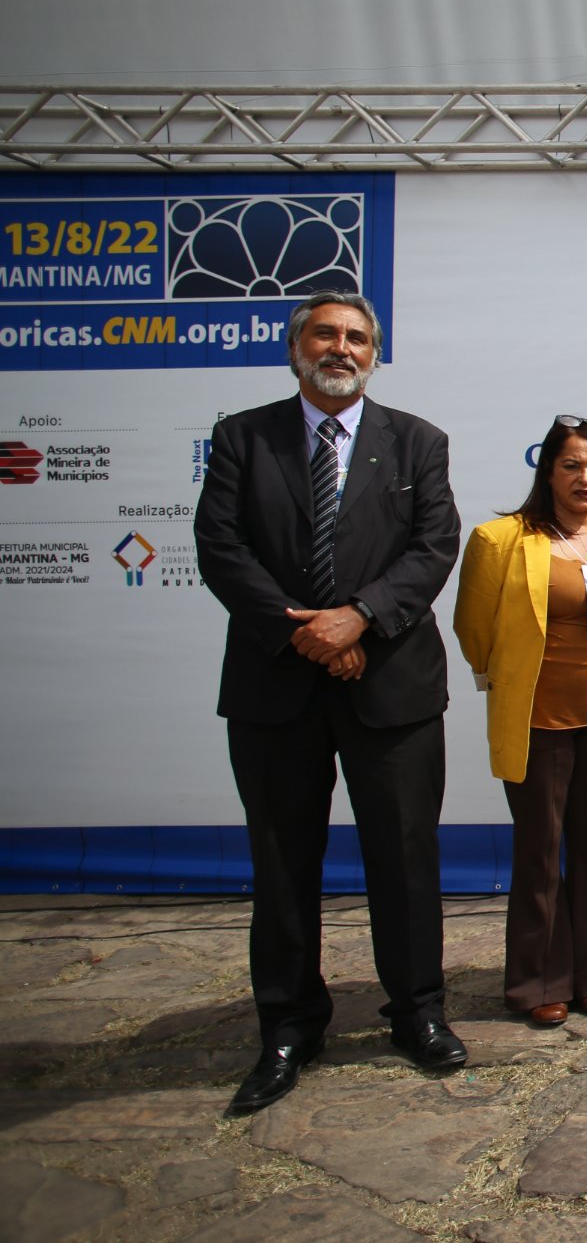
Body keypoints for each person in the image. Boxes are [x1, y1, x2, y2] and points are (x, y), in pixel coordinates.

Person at [194, 291, 465, 1115]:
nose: (341, 348)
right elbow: (221, 548)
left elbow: (432, 547)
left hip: (391, 688)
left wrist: (361, 618)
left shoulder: (416, 441)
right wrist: (306, 630)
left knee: (406, 860)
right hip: (276, 686)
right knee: (281, 864)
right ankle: (288, 1023)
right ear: (295, 348)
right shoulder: (245, 437)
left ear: (374, 355)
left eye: (357, 337)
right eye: (326, 334)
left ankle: (416, 1011)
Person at [452, 416, 587, 1027]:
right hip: (539, 720)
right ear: (547, 471)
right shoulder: (502, 540)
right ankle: (538, 981)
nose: (585, 478)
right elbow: (475, 631)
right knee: (539, 851)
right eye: (572, 465)